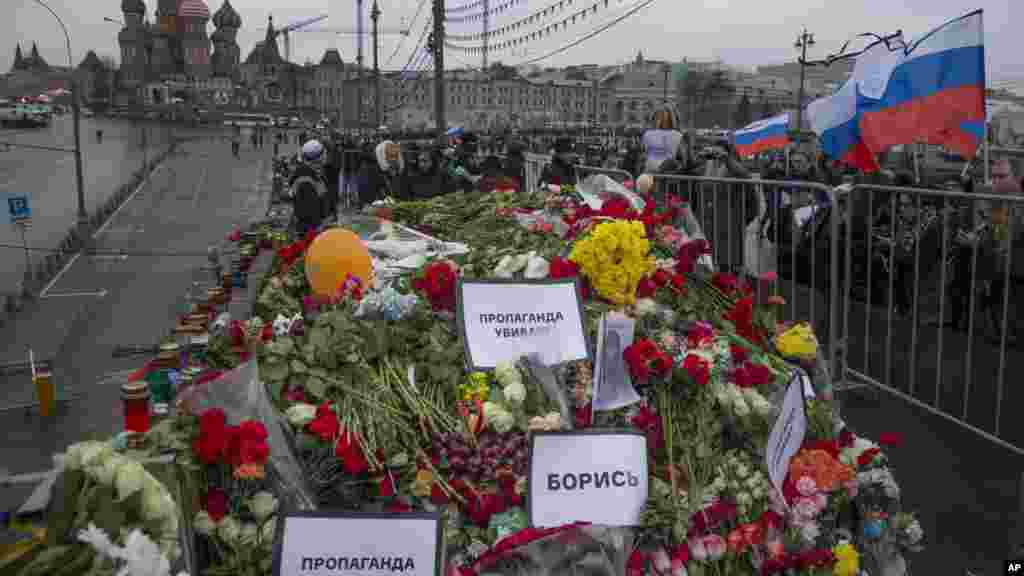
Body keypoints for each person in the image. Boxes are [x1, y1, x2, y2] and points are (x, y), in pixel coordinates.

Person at [289, 140, 329, 233]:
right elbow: (308, 210)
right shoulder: (305, 179)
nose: (326, 155)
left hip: (314, 227)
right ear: (318, 157)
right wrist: (318, 226)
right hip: (310, 231)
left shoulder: (314, 173)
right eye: (324, 153)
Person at [640, 108, 685, 174]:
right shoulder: (679, 135)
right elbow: (683, 161)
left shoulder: (647, 134)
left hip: (649, 175)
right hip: (668, 176)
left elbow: (643, 155)